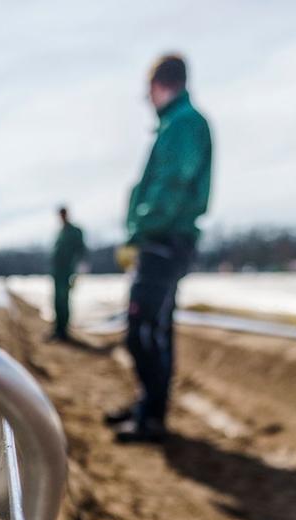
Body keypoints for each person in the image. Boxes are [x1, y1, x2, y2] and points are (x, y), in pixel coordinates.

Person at [106, 53, 212, 443]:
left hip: (164, 241)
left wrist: (140, 230)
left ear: (158, 86)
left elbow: (171, 187)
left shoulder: (183, 124)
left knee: (143, 330)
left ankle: (152, 418)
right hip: (162, 239)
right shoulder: (175, 124)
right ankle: (148, 407)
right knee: (153, 329)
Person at [49, 206, 86, 341]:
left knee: (64, 299)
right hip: (57, 272)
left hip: (67, 271)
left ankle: (63, 331)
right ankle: (58, 329)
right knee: (57, 300)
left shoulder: (74, 231)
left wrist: (79, 269)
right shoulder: (61, 232)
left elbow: (81, 250)